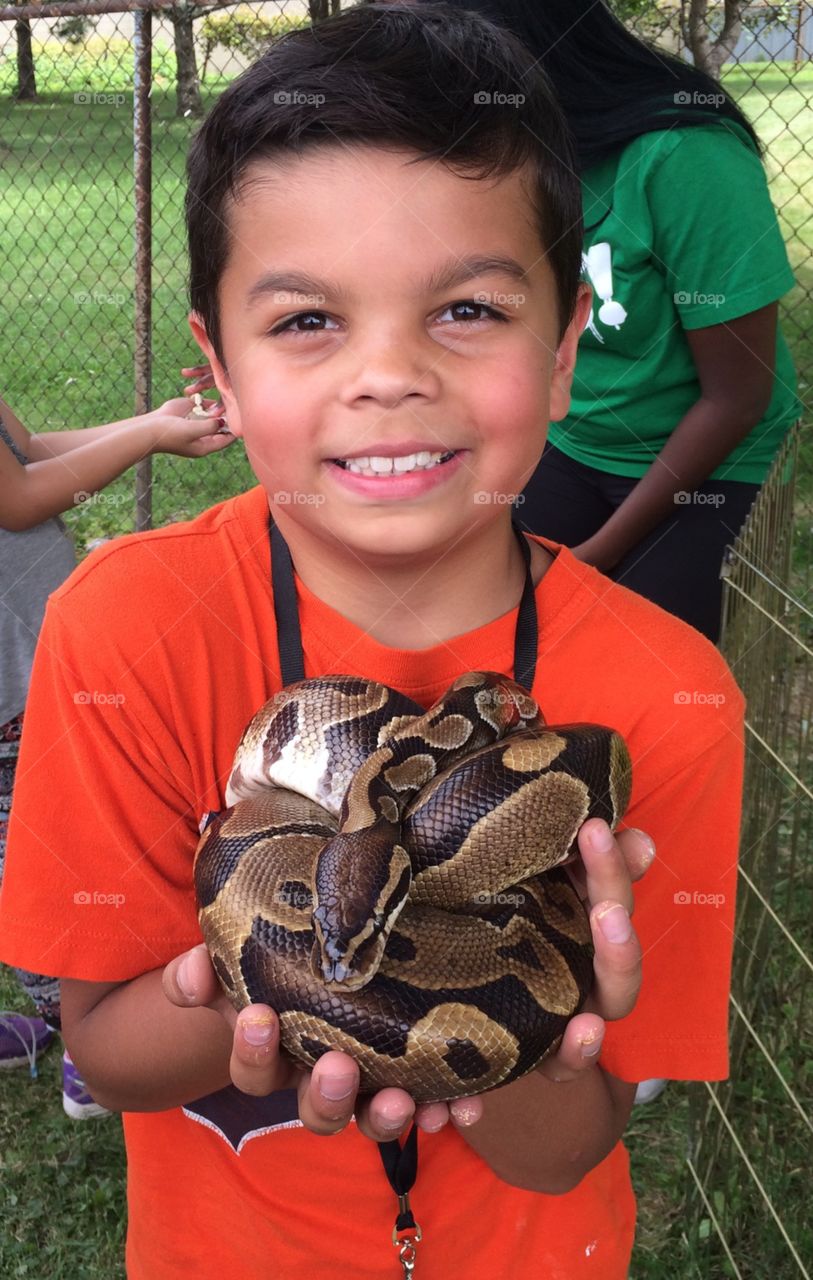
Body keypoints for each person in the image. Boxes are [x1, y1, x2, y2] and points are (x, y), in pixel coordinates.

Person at [0, 6, 744, 1277]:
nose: (388, 373)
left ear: (565, 350)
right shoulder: (119, 630)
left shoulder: (671, 696)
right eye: (307, 320)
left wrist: (512, 1042)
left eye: (465, 307)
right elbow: (107, 1047)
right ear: (218, 376)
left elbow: (564, 1147)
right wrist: (258, 981)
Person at [372, 0, 800, 642]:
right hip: (573, 438)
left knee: (640, 647)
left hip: (708, 455)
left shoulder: (686, 157)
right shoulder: (507, 154)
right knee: (484, 618)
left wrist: (593, 559)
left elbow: (737, 395)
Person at [0, 385, 232, 1114]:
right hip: (9, 685)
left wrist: (149, 421)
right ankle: (83, 1046)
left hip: (29, 658)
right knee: (36, 857)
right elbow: (17, 498)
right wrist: (151, 440)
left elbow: (27, 454)